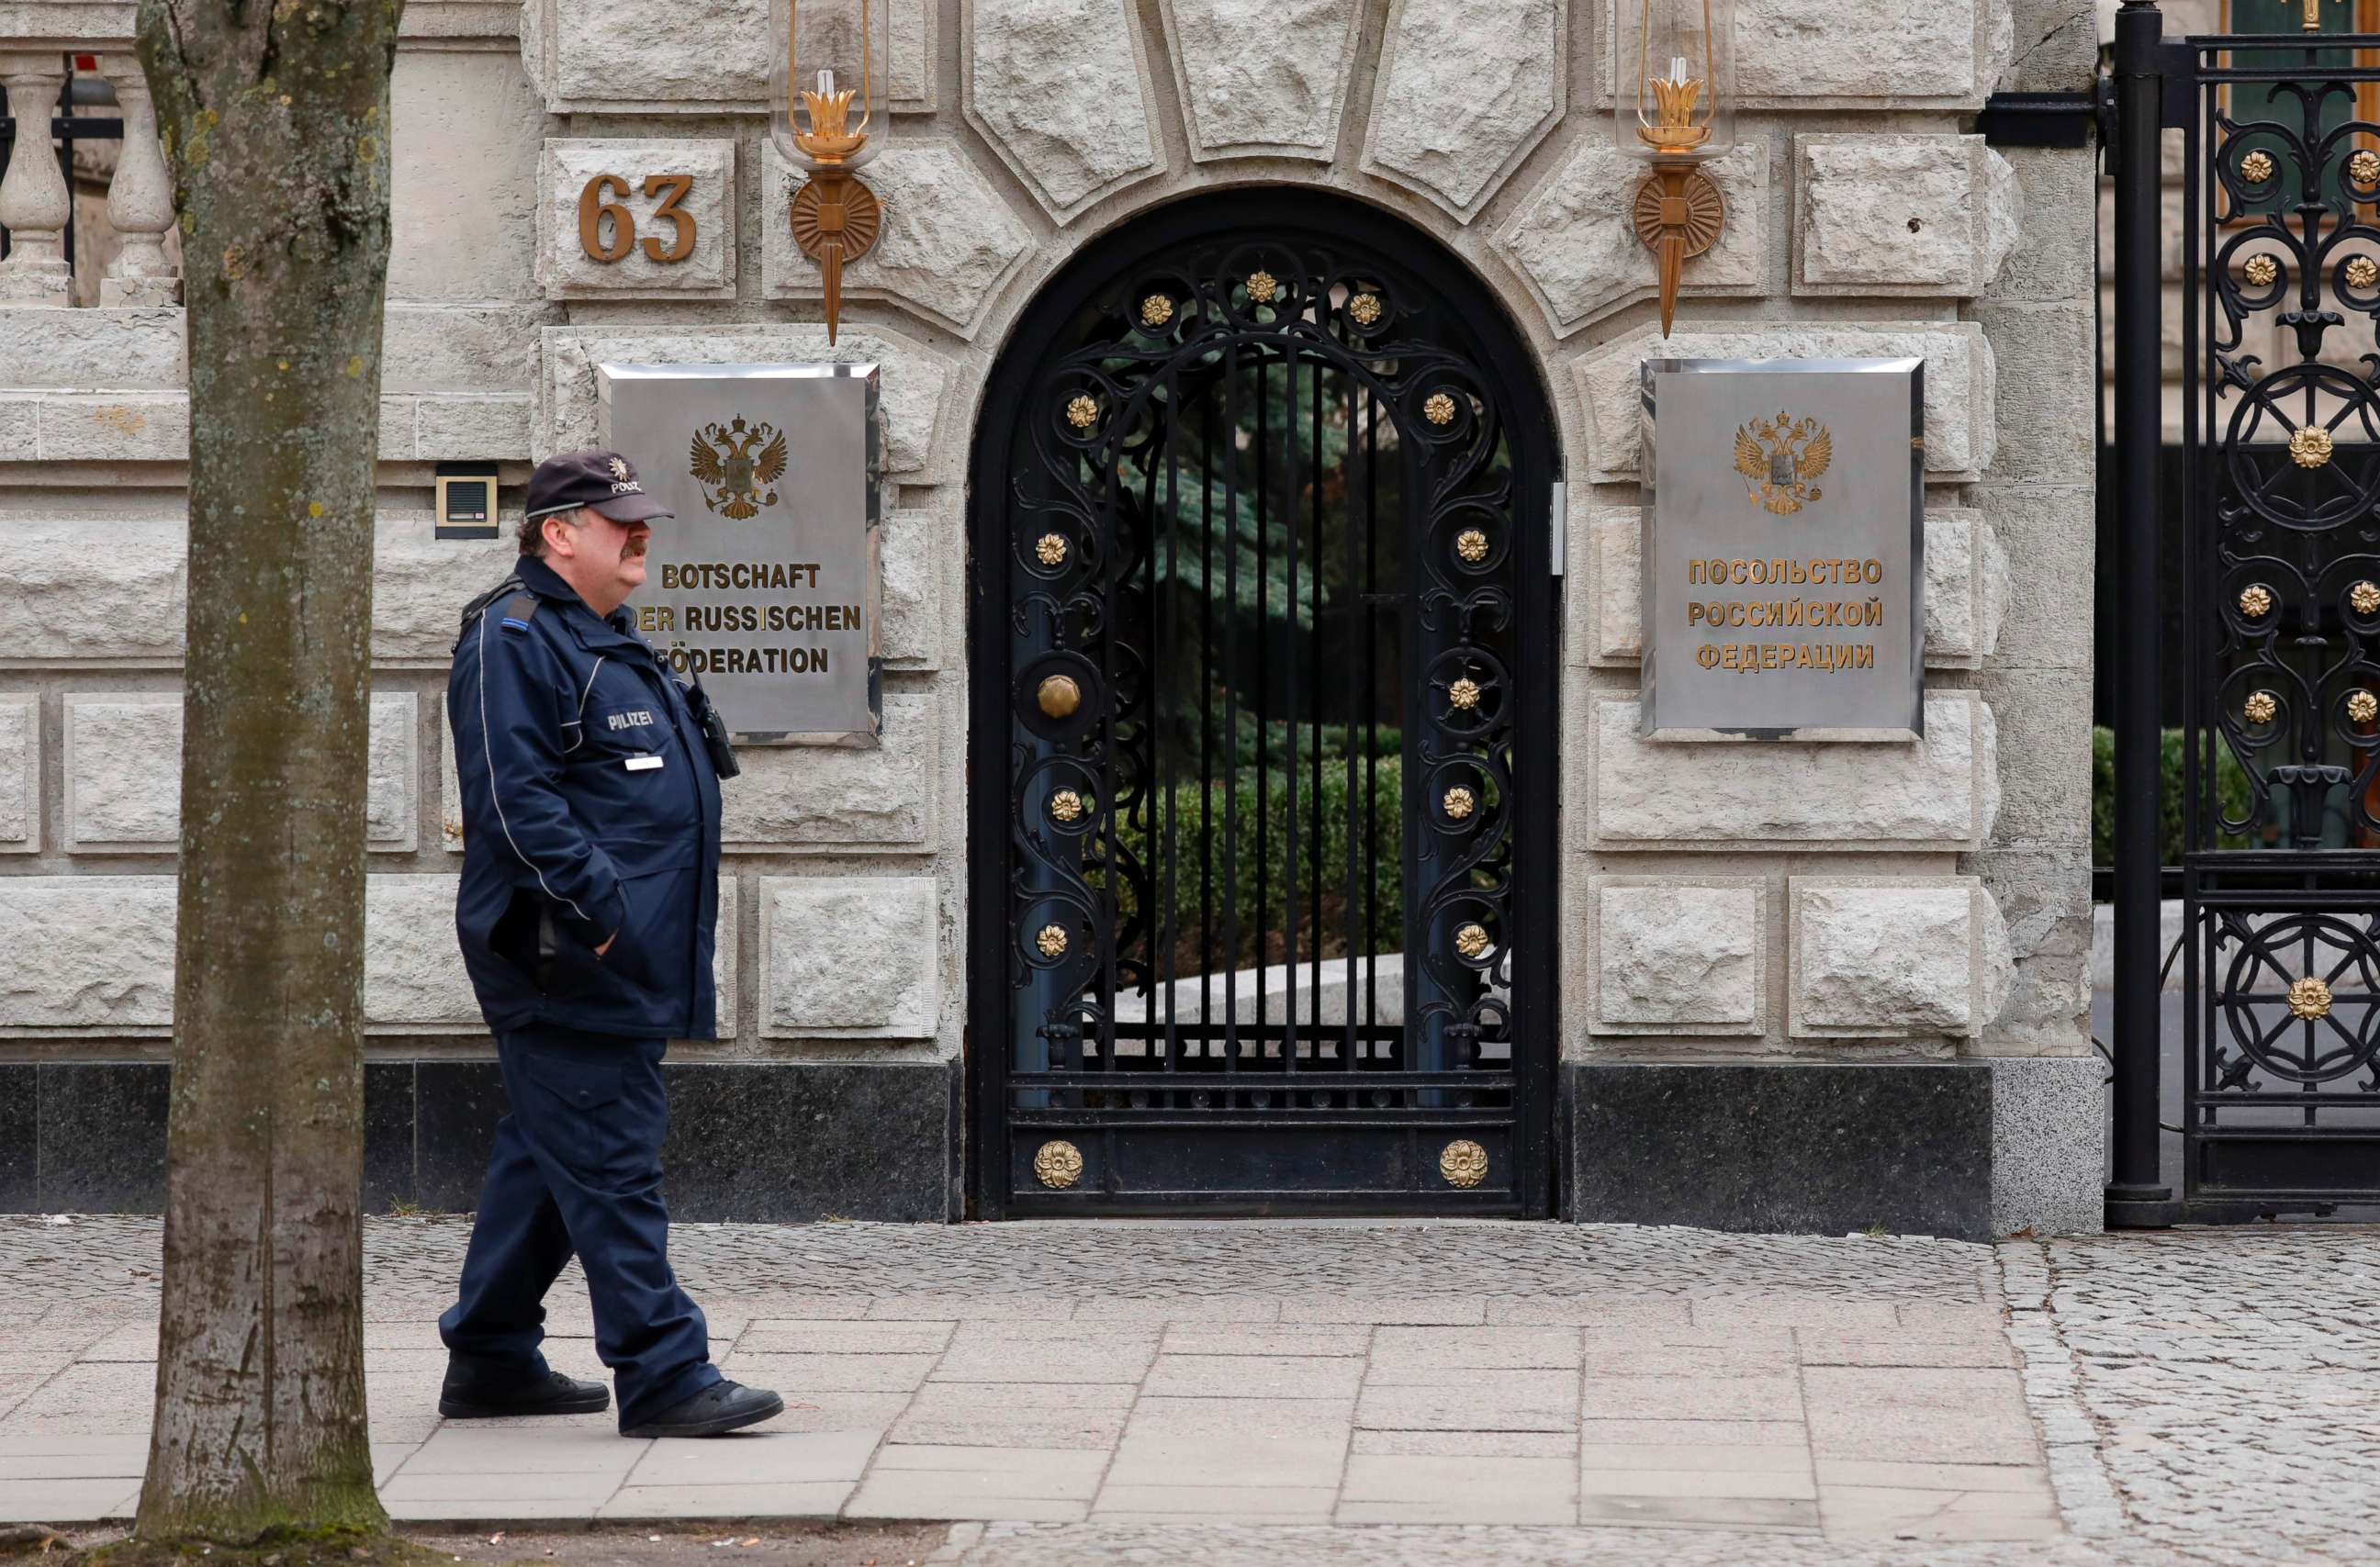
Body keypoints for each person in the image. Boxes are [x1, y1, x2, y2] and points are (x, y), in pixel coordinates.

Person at [436, 449, 782, 1438]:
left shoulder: (602, 636)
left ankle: (491, 1355)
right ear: (558, 533)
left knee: (554, 1154)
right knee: (612, 1157)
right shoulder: (514, 639)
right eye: (618, 519)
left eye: (643, 517)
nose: (640, 534)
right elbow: (516, 804)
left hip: (616, 953)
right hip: (566, 955)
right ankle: (666, 1373)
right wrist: (605, 920)